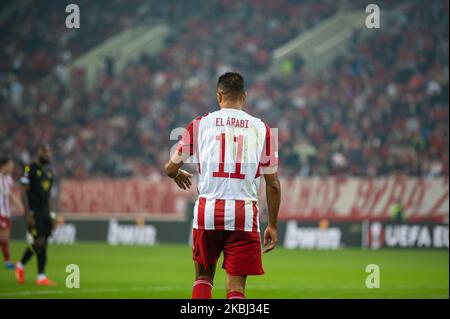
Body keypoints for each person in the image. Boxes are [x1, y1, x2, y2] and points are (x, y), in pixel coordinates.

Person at [164, 72, 281, 299]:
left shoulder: (200, 125)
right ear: (244, 97)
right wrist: (273, 225)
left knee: (203, 278)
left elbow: (170, 167)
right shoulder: (261, 128)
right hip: (243, 215)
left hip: (208, 211)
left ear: (219, 95)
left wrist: (175, 173)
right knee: (236, 288)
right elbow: (273, 184)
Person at [15, 144, 56, 286]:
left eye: (50, 153)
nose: (49, 156)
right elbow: (23, 192)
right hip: (34, 212)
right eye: (47, 153)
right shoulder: (29, 168)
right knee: (39, 242)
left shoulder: (49, 173)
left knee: (42, 243)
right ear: (40, 153)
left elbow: (49, 195)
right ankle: (40, 276)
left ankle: (22, 266)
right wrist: (27, 214)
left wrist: (51, 215)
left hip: (45, 213)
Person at [0, 157, 23, 270]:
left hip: (7, 212)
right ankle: (8, 262)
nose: (12, 168)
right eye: (10, 165)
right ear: (4, 165)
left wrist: (18, 204)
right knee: (3, 235)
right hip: (0, 212)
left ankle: (7, 261)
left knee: (5, 237)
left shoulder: (8, 179)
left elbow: (10, 194)